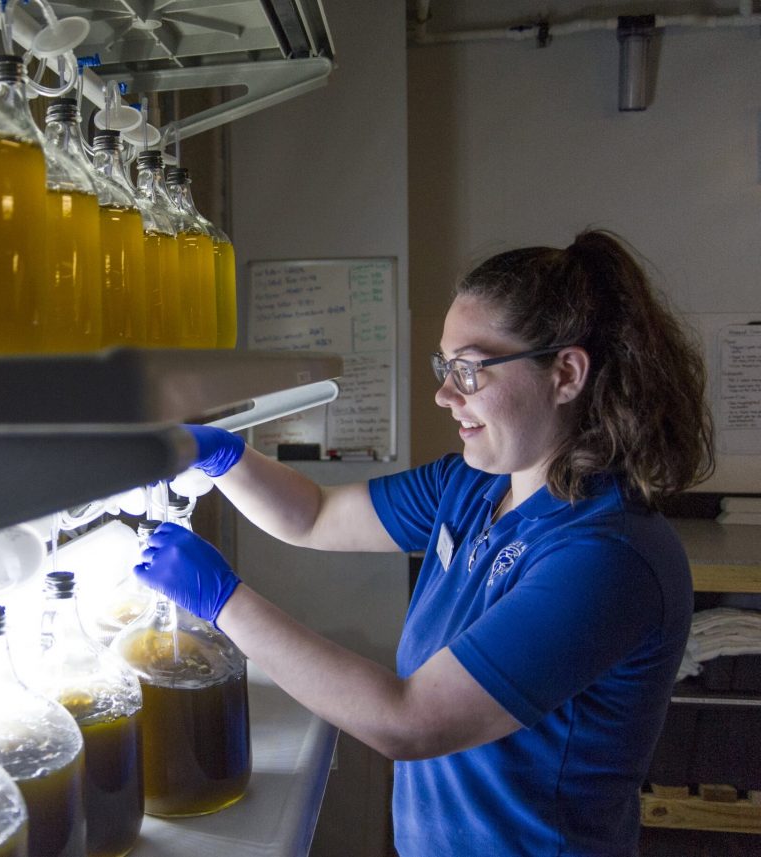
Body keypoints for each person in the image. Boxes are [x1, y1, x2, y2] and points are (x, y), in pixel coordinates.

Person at [135, 230, 715, 856]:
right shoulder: (469, 486)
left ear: (565, 373)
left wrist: (221, 601)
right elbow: (314, 515)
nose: (444, 394)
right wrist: (224, 457)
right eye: (446, 367)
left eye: (469, 369)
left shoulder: (607, 555)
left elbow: (408, 721)